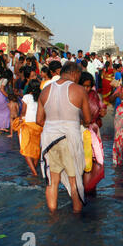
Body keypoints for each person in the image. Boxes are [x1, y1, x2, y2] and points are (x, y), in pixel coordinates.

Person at [36, 62, 91, 213]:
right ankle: (77, 216)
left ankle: (52, 215)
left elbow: (39, 121)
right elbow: (87, 119)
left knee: (52, 182)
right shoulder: (79, 90)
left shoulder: (45, 91)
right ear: (75, 74)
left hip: (49, 140)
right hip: (69, 140)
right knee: (74, 182)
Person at [13, 79, 43, 176]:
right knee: (36, 148)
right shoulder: (41, 97)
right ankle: (34, 169)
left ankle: (34, 172)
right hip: (38, 125)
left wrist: (20, 118)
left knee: (25, 148)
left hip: (27, 124)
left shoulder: (26, 97)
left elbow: (23, 110)